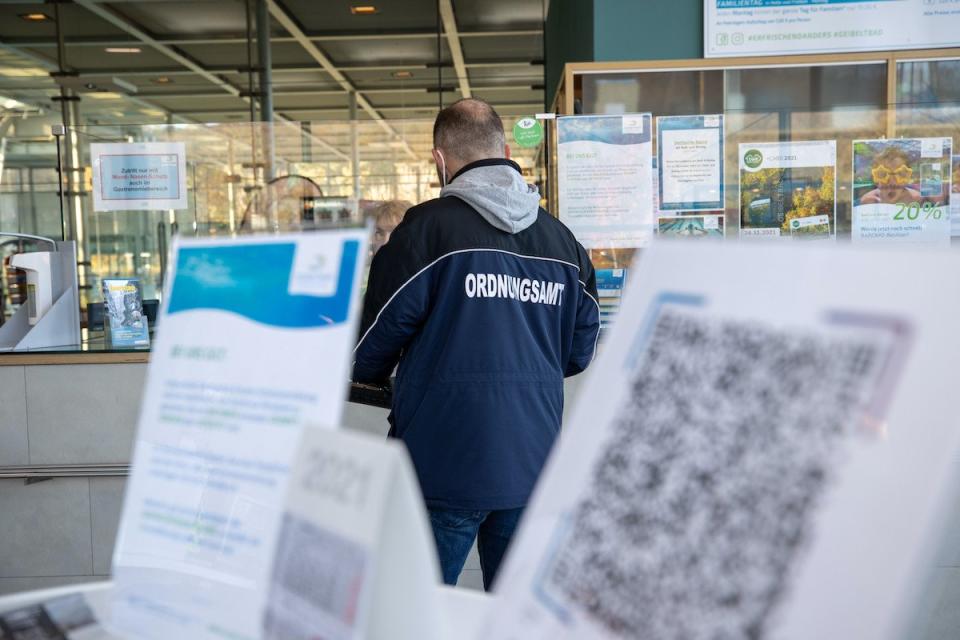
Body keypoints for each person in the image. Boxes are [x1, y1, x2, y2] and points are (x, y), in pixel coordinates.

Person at [352, 98, 600, 590]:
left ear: (439, 161)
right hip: (532, 462)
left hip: (442, 466)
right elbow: (579, 352)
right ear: (506, 151)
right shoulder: (563, 242)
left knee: (417, 613)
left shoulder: (425, 231)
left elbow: (369, 345)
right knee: (513, 615)